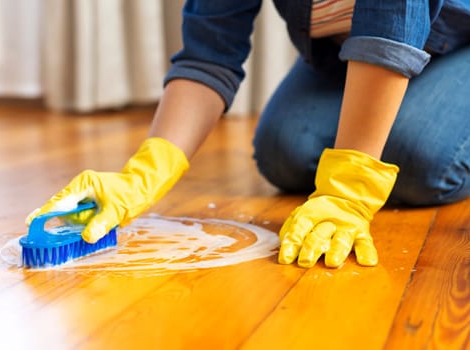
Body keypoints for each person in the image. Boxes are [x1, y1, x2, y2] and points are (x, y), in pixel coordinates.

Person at [26, 1, 470, 268]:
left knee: (421, 162)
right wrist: (141, 176)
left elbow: (387, 34)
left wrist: (350, 190)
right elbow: (207, 58)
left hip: (454, 43)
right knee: (284, 152)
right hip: (342, 53)